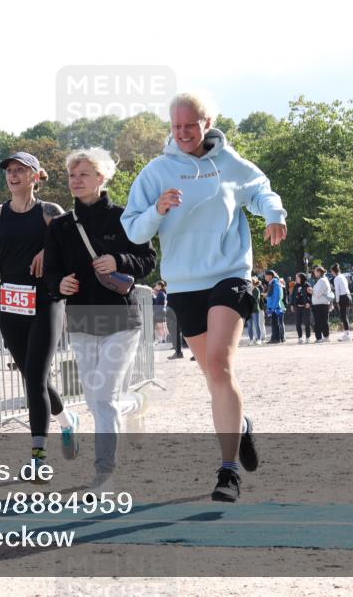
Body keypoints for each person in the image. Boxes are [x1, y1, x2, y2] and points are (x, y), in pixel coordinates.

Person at [121, 92, 286, 502]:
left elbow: (261, 189)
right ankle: (240, 425)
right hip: (183, 284)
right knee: (213, 378)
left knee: (219, 363)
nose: (182, 134)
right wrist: (157, 210)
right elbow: (133, 231)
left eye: (190, 126)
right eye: (176, 127)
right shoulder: (157, 172)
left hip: (229, 274)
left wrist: (274, 213)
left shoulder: (229, 164)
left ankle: (228, 472)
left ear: (207, 122)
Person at [44, 148, 157, 492]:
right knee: (96, 400)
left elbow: (148, 259)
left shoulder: (126, 217)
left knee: (103, 398)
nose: (76, 181)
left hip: (120, 319)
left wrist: (119, 260)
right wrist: (59, 284)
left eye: (84, 174)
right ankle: (136, 403)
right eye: (72, 175)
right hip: (79, 319)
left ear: (102, 177)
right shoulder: (61, 226)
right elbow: (50, 273)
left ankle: (105, 474)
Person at [0, 150, 80, 480]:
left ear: (35, 175)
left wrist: (49, 250)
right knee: (36, 379)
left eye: (20, 170)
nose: (13, 175)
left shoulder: (50, 213)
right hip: (13, 305)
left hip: (47, 302)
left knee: (34, 379)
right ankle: (67, 422)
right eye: (9, 170)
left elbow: (75, 250)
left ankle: (38, 458)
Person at [309, 266, 333, 343]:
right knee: (320, 321)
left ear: (319, 272)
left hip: (321, 304)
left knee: (320, 321)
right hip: (319, 304)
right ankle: (321, 337)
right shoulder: (321, 280)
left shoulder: (322, 281)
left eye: (315, 271)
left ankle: (323, 337)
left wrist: (311, 291)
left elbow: (318, 294)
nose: (314, 273)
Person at [331, 264, 352, 342]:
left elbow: (337, 291)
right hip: (348, 296)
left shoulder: (336, 278)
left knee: (343, 316)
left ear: (333, 271)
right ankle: (347, 333)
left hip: (342, 297)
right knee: (345, 316)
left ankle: (347, 334)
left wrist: (337, 301)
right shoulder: (343, 276)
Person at [264, 270, 285, 344]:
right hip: (272, 306)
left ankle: (278, 338)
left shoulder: (275, 283)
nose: (265, 277)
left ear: (270, 276)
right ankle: (274, 338)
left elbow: (277, 296)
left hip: (276, 307)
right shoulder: (271, 283)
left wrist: (273, 307)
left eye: (266, 275)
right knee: (273, 323)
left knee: (277, 323)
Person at [290, 272, 312, 343]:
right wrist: (292, 305)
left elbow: (311, 295)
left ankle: (308, 337)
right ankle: (300, 337)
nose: (296, 278)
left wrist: (309, 302)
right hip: (297, 307)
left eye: (297, 277)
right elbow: (293, 296)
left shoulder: (307, 285)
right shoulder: (296, 286)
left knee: (307, 323)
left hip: (305, 307)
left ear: (301, 278)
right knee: (298, 323)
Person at [246, 278, 264, 345]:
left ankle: (259, 339)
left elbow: (255, 301)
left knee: (257, 325)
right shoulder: (247, 290)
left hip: (255, 310)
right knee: (249, 325)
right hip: (248, 311)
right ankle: (251, 339)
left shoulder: (256, 290)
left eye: (249, 283)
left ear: (252, 283)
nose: (248, 284)